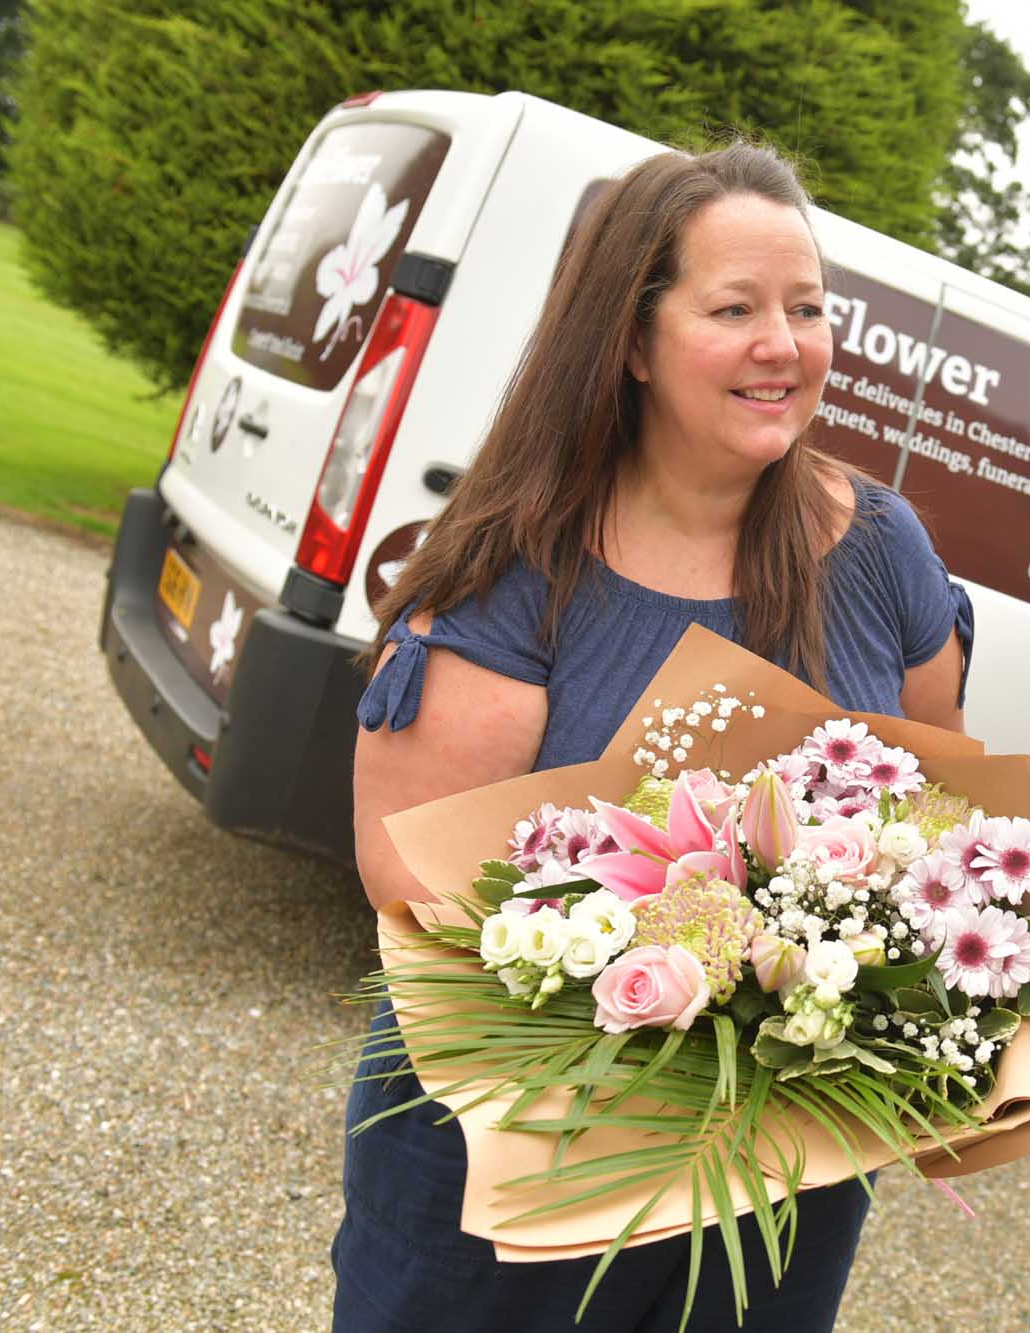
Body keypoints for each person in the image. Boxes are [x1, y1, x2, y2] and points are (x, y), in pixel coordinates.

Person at [330, 141, 974, 1332]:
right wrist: (704, 942)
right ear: (631, 342)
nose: (783, 343)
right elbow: (411, 869)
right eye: (734, 309)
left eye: (807, 309)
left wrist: (893, 976)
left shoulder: (882, 547)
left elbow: (935, 792)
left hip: (773, 1178)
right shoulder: (517, 561)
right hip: (509, 1160)